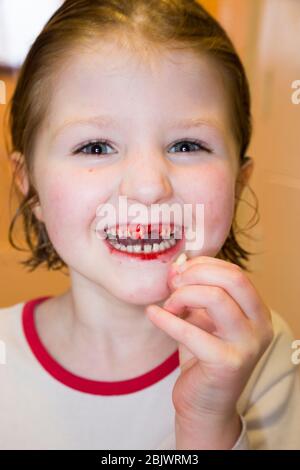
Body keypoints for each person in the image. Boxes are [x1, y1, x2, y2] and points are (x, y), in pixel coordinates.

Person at [1, 0, 299, 450]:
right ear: (32, 187)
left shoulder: (264, 353)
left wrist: (208, 422)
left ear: (239, 183)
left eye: (186, 144)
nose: (147, 187)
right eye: (96, 147)